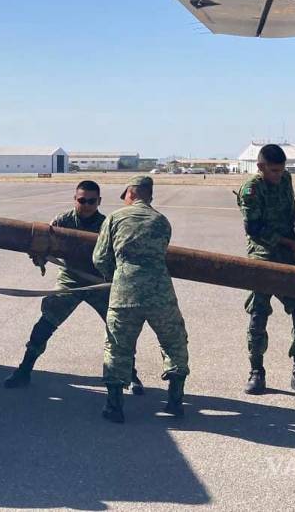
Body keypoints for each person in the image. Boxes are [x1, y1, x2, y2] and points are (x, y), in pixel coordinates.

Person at [4, 181, 143, 394]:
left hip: (99, 282)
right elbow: (42, 245)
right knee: (46, 323)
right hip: (71, 279)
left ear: (99, 201)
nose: (86, 205)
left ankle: (130, 374)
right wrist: (37, 253)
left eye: (91, 201)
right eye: (82, 200)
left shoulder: (108, 224)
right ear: (74, 199)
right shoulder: (62, 221)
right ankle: (24, 370)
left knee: (119, 329)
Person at [95, 176, 189, 421]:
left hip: (124, 294)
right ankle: (176, 401)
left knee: (117, 347)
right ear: (149, 196)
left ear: (131, 194)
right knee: (173, 342)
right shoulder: (161, 221)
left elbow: (99, 258)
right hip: (161, 294)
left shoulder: (115, 218)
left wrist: (116, 274)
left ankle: (114, 407)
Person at [236, 144, 295, 396]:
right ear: (260, 167)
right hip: (264, 254)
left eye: (281, 171)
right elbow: (254, 230)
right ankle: (256, 371)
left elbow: (290, 205)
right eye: (273, 171)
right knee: (259, 314)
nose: (278, 175)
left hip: (289, 253)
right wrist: (287, 242)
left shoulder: (286, 179)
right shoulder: (251, 190)